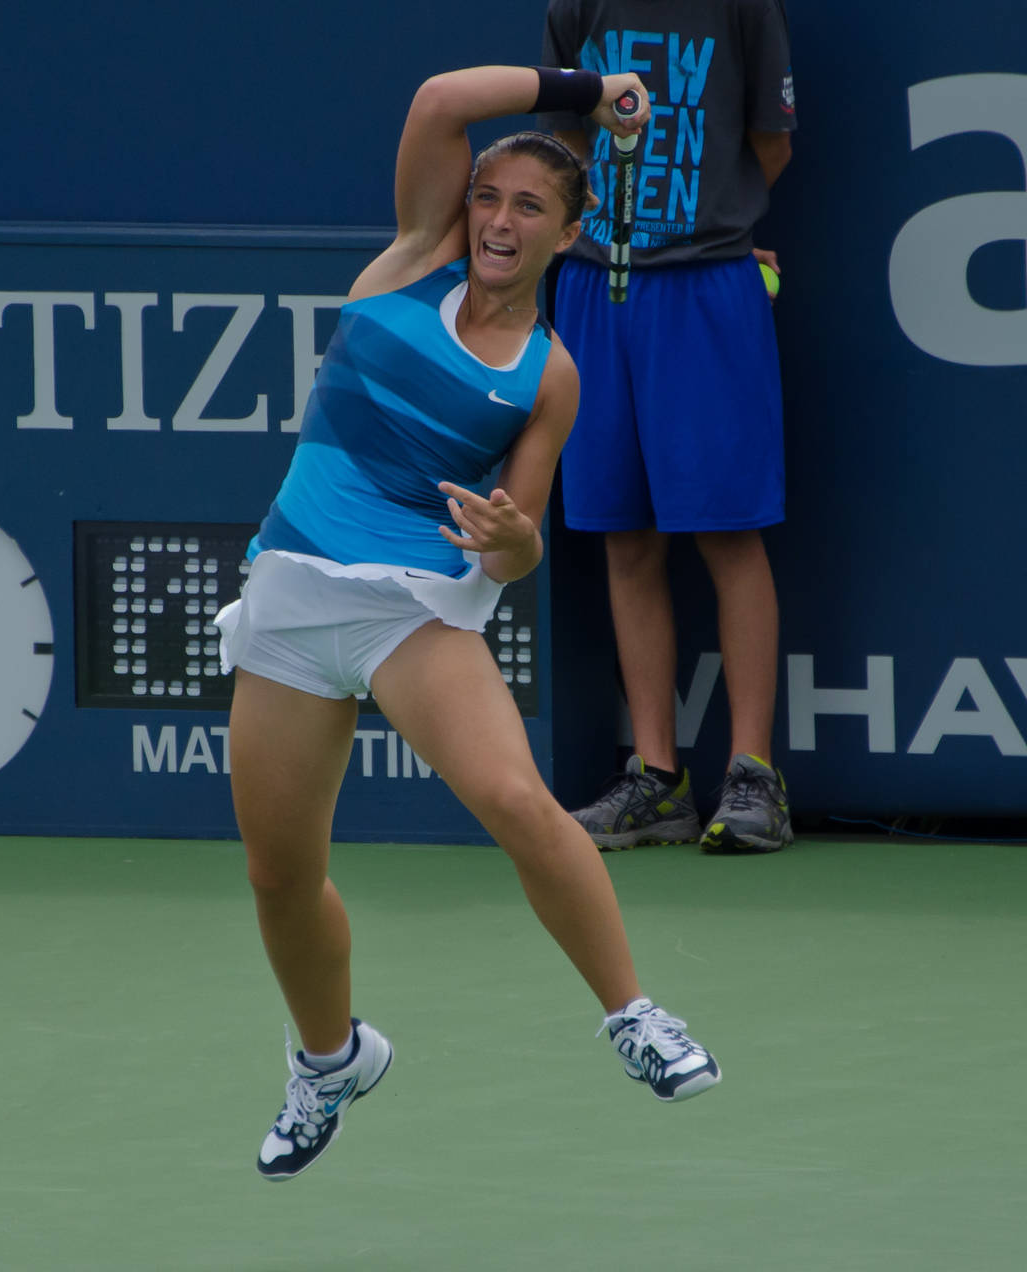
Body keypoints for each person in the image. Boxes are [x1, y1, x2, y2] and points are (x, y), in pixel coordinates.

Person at [214, 64, 721, 1184]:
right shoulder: (408, 264)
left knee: (514, 799)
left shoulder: (551, 378)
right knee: (277, 874)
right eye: (488, 196)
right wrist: (587, 90)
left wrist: (508, 540)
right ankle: (328, 1059)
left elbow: (525, 542)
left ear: (569, 235)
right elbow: (444, 99)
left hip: (410, 610)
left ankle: (634, 1013)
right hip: (294, 594)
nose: (497, 218)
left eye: (528, 208)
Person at [539, 0, 798, 854]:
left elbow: (770, 146)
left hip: (707, 289)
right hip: (592, 289)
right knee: (625, 538)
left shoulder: (743, 5)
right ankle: (658, 780)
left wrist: (709, 232)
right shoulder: (575, 3)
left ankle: (753, 775)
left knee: (727, 535)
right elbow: (563, 143)